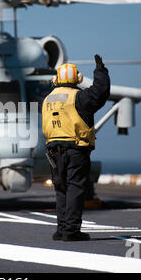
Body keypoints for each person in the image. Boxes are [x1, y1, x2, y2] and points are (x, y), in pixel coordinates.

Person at [42, 55, 110, 241]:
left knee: (61, 188)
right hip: (75, 149)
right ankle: (71, 231)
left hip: (53, 150)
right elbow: (100, 91)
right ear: (77, 78)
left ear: (56, 80)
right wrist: (100, 70)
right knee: (75, 188)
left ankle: (62, 229)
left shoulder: (48, 99)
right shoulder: (78, 98)